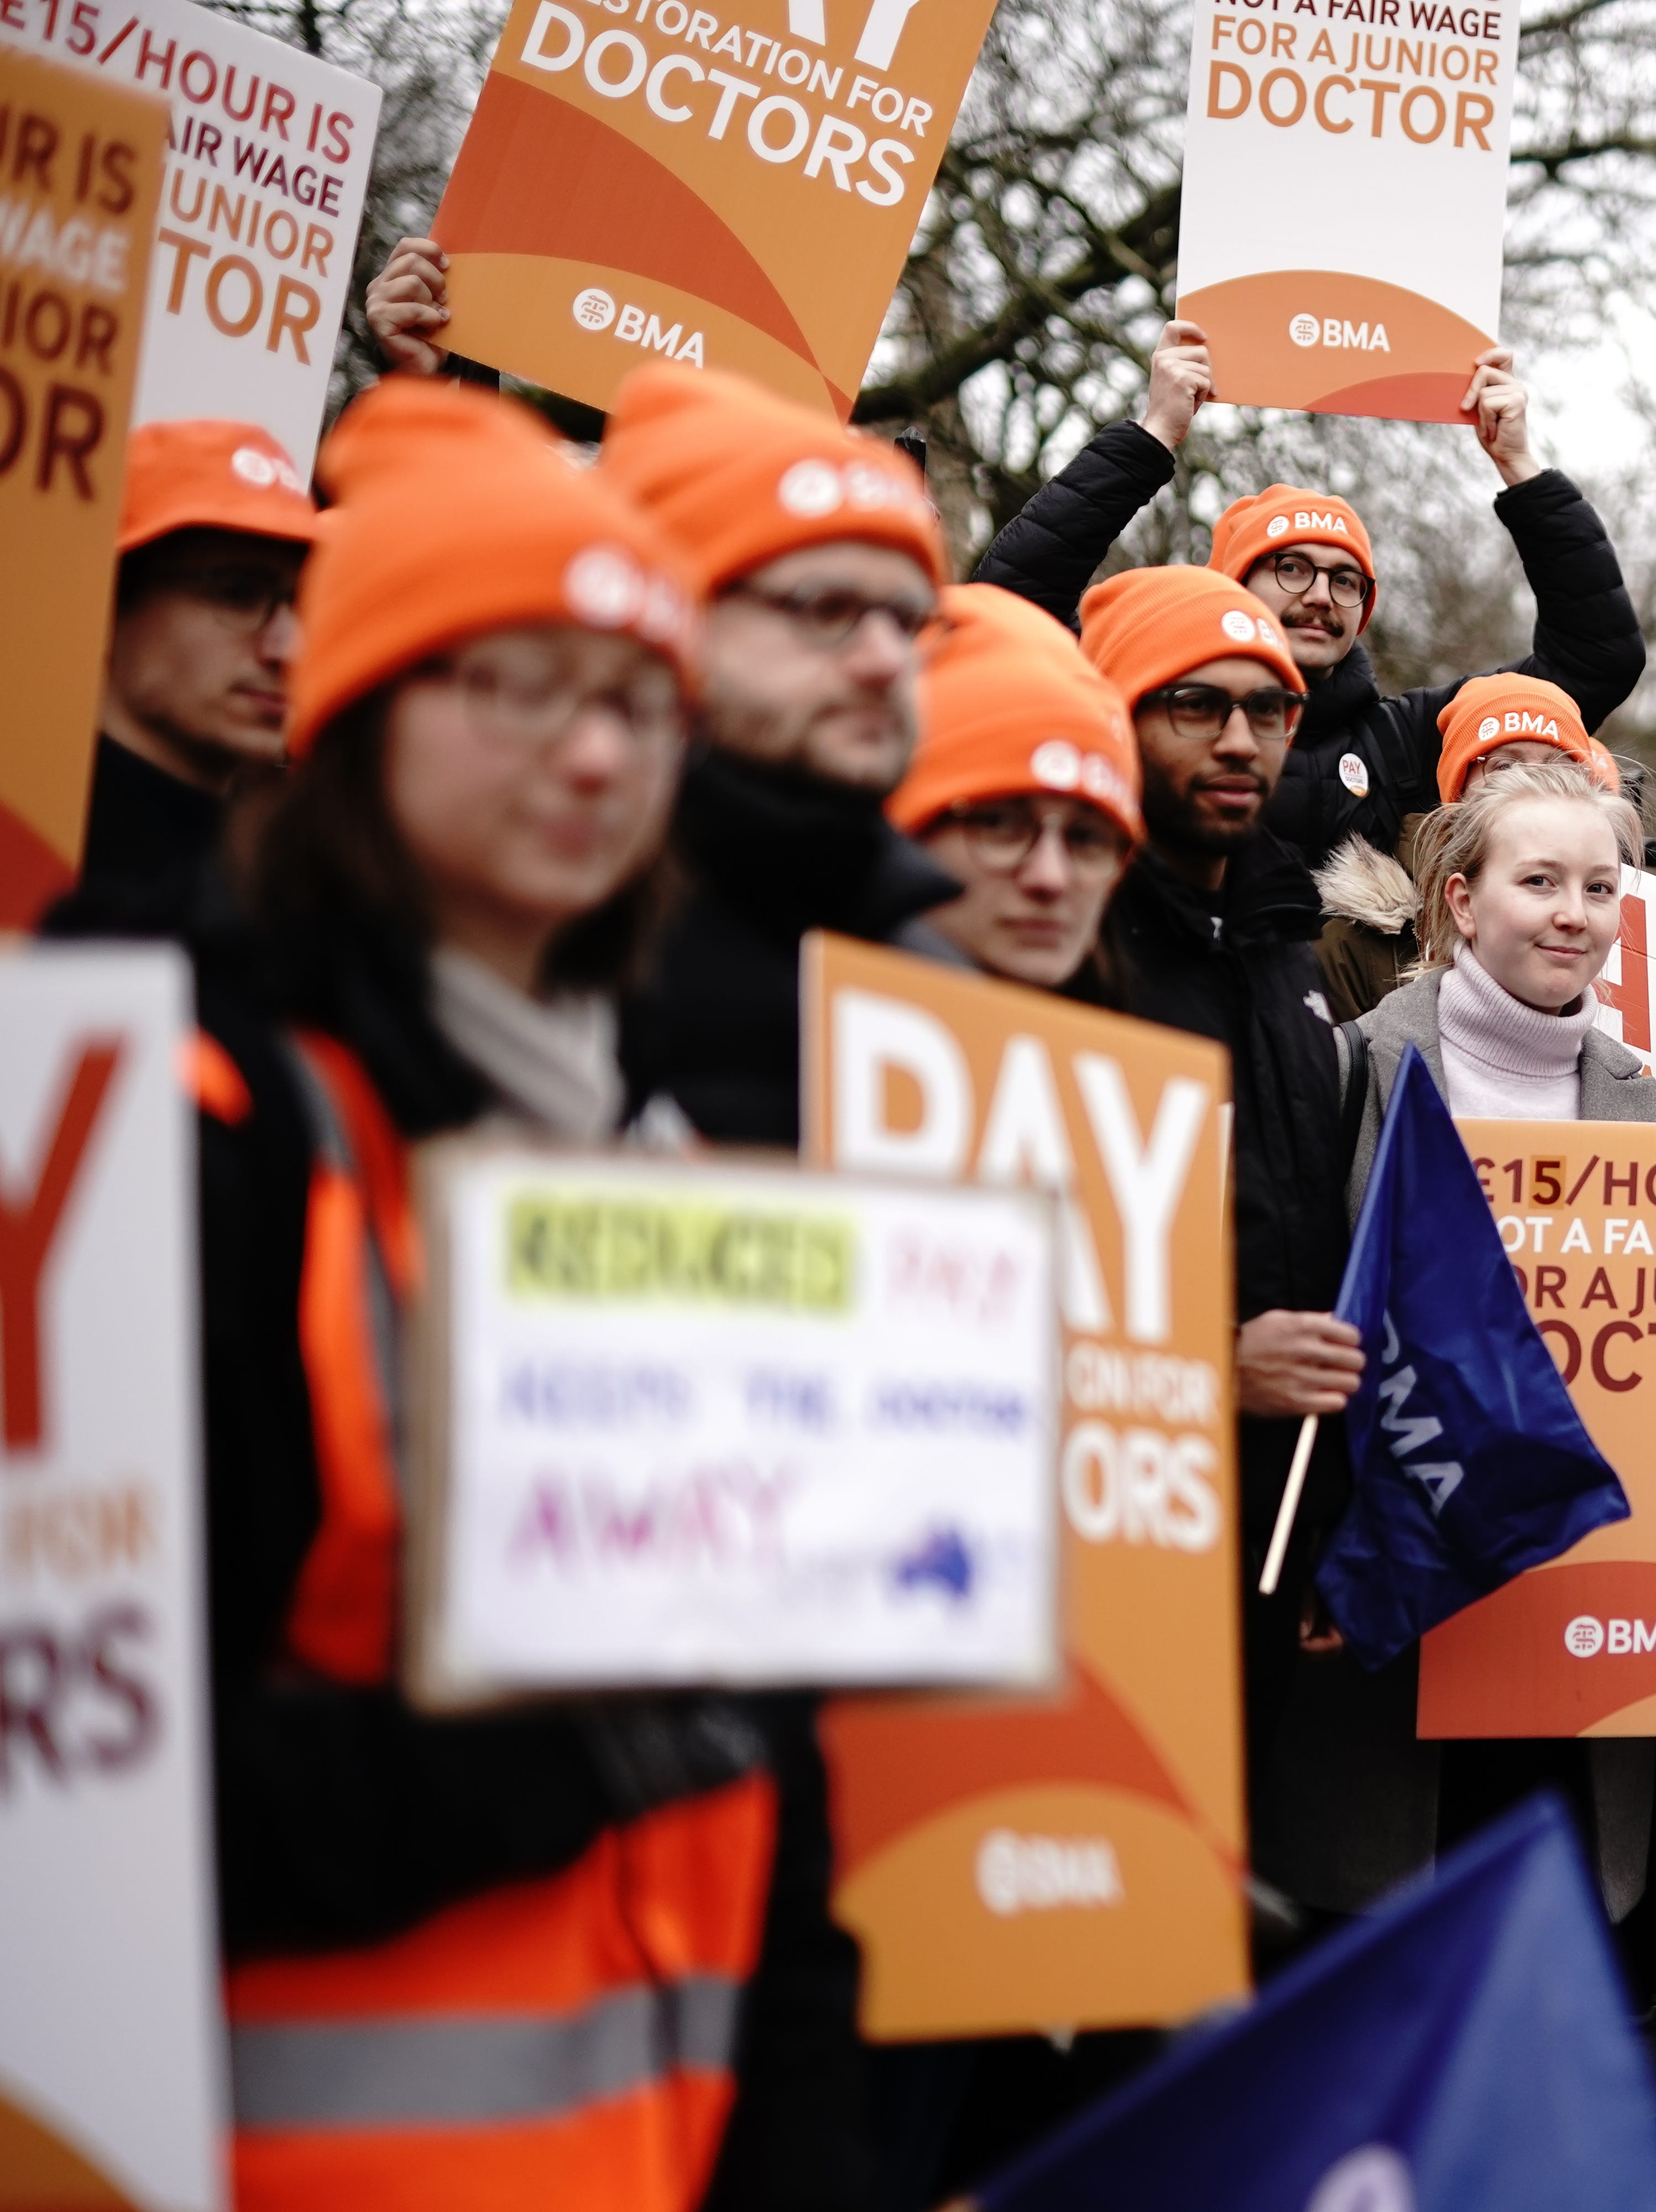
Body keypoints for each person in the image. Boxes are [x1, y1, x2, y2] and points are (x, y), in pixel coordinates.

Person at [190, 375, 868, 2207]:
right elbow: (106, 1795)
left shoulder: (657, 1161)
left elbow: (767, 1797)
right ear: (357, 717)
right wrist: (582, 1753)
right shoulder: (215, 1128)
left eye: (643, 704)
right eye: (519, 687)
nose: (595, 759)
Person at [1254, 760, 1656, 1922]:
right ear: (1462, 900)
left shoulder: (1653, 1105)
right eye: (1538, 879)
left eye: (1599, 884)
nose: (1572, 912)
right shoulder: (1356, 1067)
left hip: (1572, 1596)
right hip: (1398, 1587)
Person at [1068, 567, 1366, 1825]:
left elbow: (1313, 1243)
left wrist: (1324, 1521)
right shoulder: (1063, 945)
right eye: (1194, 704)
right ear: (1116, 714)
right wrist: (1204, 1371)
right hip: (1093, 1531)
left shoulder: (1293, 953)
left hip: (1265, 1527)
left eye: (1271, 708)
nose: (1240, 738)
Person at [967, 321, 1646, 872]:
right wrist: (1151, 437)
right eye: (1290, 568)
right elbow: (1006, 613)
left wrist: (1521, 469)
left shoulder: (1400, 742)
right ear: (1234, 586)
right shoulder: (1145, 700)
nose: (1321, 595)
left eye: (1345, 580)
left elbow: (1593, 662)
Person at [594, 362, 964, 1147]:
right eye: (826, 607)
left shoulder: (938, 983)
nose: (882, 660)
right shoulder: (539, 939)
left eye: (907, 621)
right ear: (671, 620)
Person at [61, 421, 318, 923]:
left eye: (306, 605)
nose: (288, 649)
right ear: (109, 601)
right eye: (237, 592)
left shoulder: (294, 892)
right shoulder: (31, 844)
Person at [1309, 672, 1624, 1020]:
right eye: (1506, 767)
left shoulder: (1593, 935)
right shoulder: (1351, 949)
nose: (1534, 787)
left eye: (1558, 771)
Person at [885, 583, 1141, 995]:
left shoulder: (1141, 1046)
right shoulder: (795, 1030)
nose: (1050, 878)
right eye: (1000, 824)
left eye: (1086, 837)